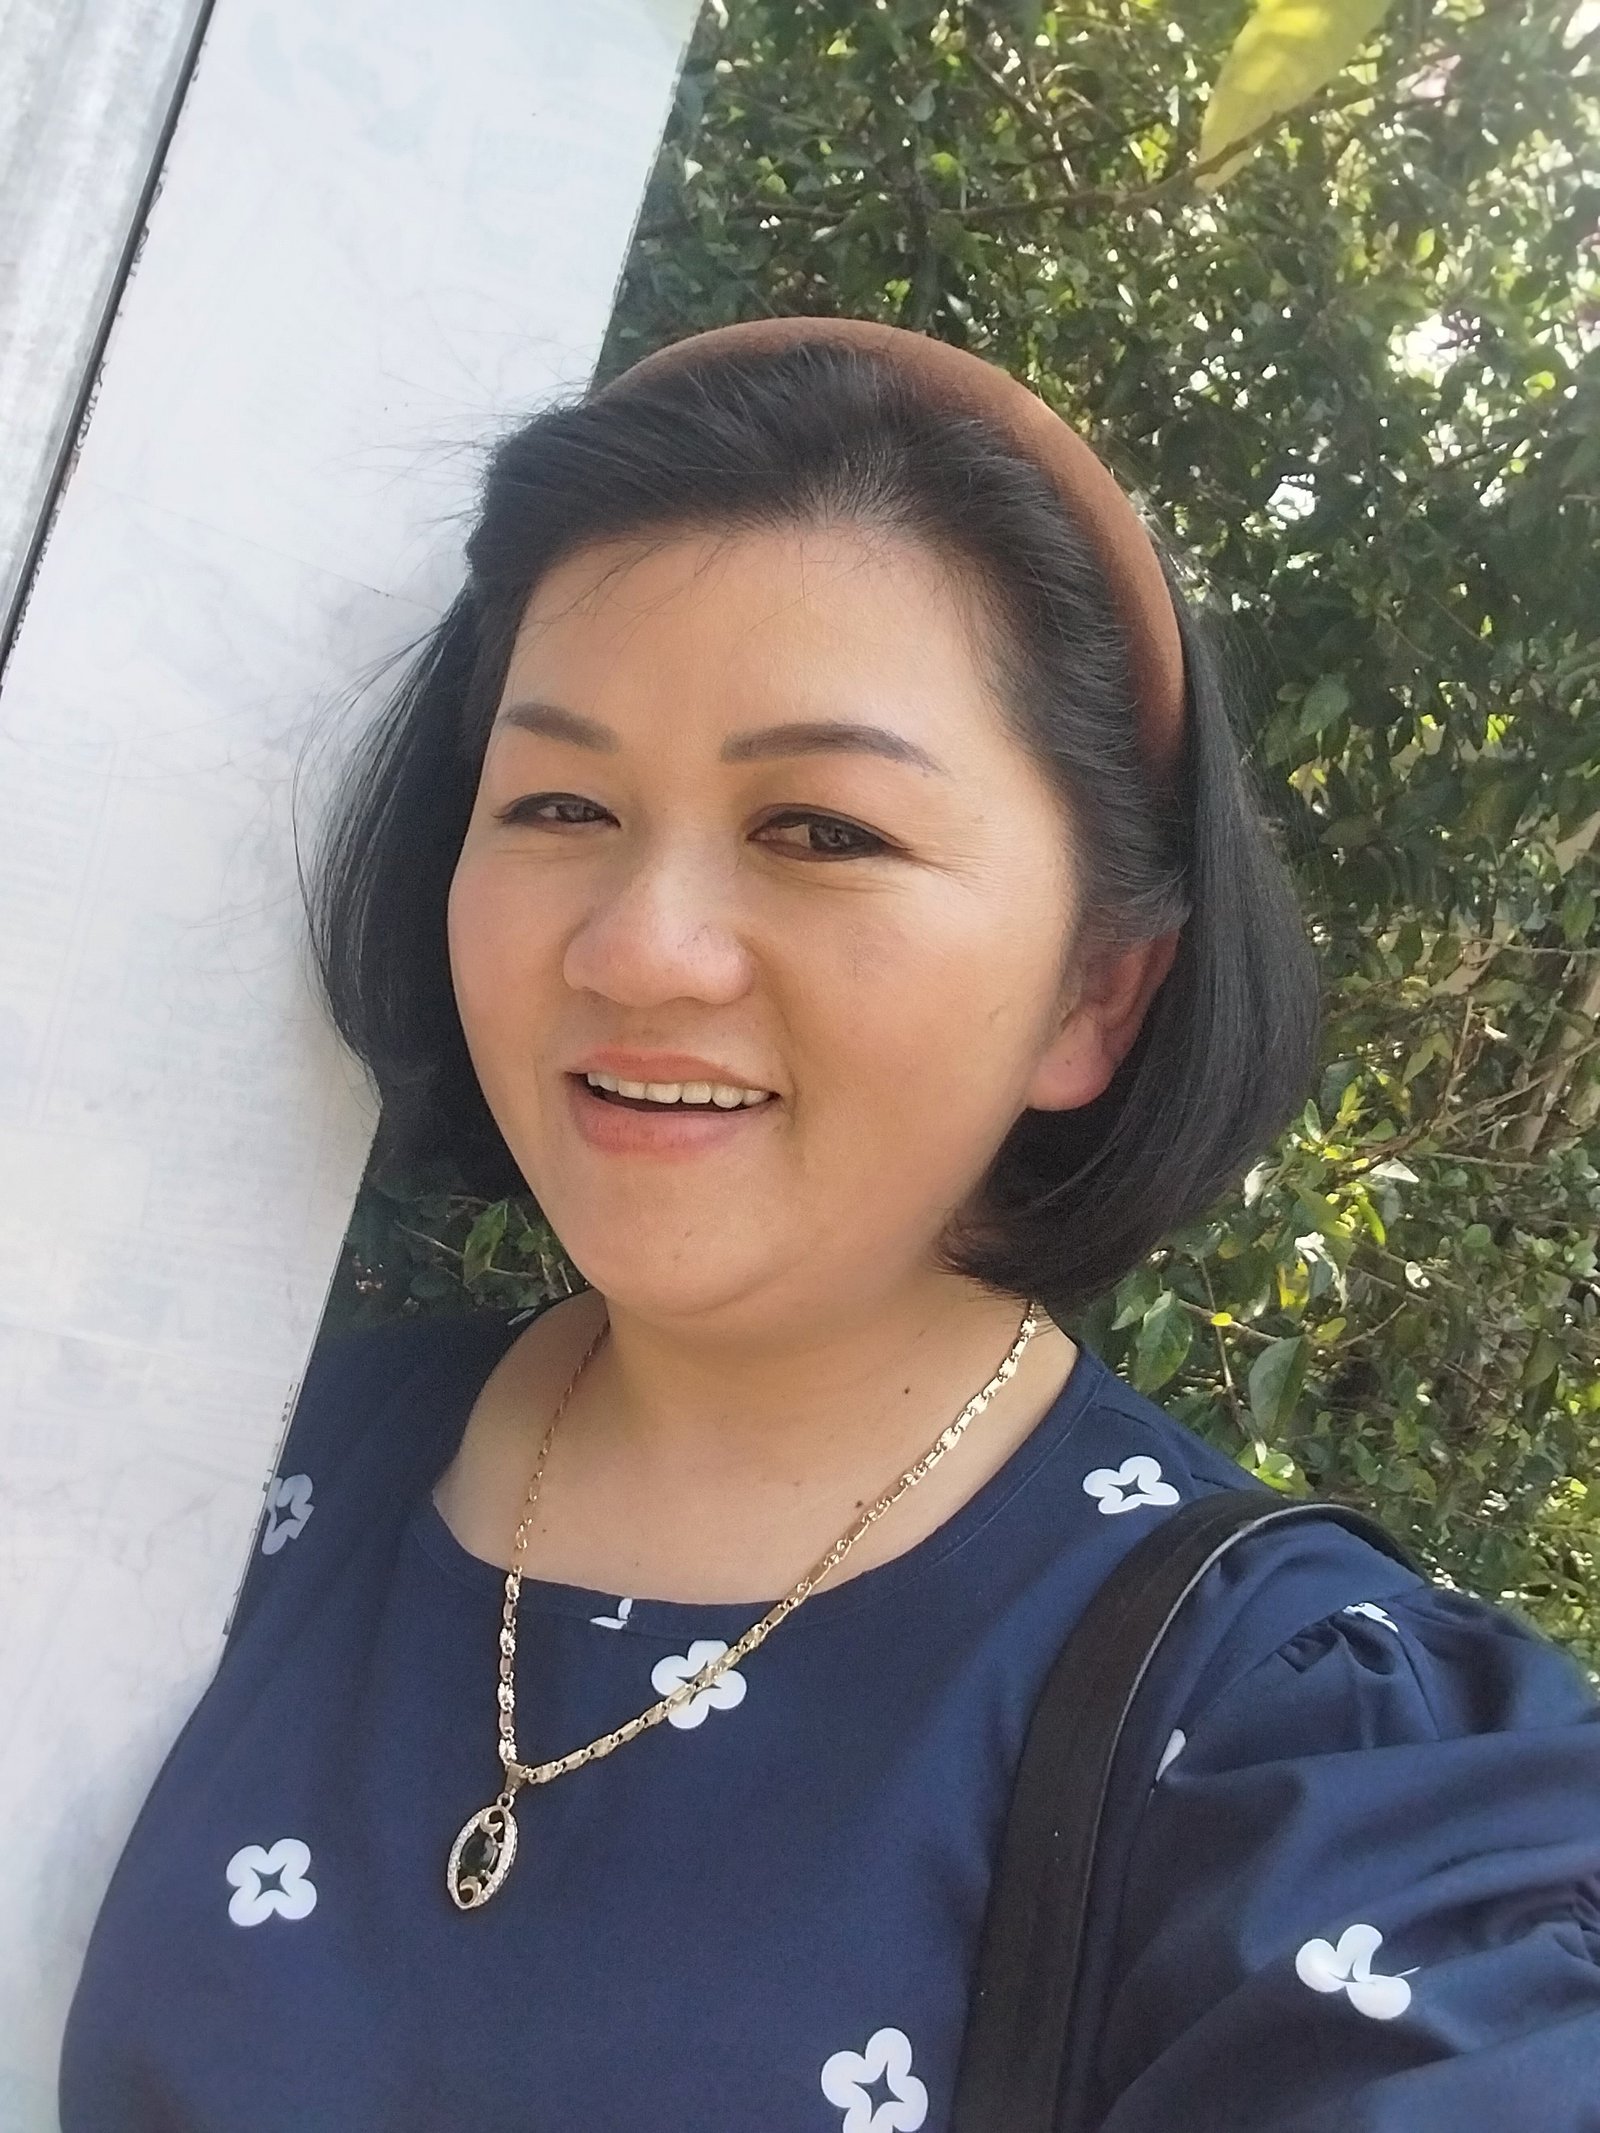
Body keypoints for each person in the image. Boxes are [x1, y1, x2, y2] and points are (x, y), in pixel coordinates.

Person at [59, 319, 1600, 2131]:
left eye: (820, 828)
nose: (639, 948)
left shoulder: (1288, 1741)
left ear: (1095, 991)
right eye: (558, 803)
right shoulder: (252, 1455)